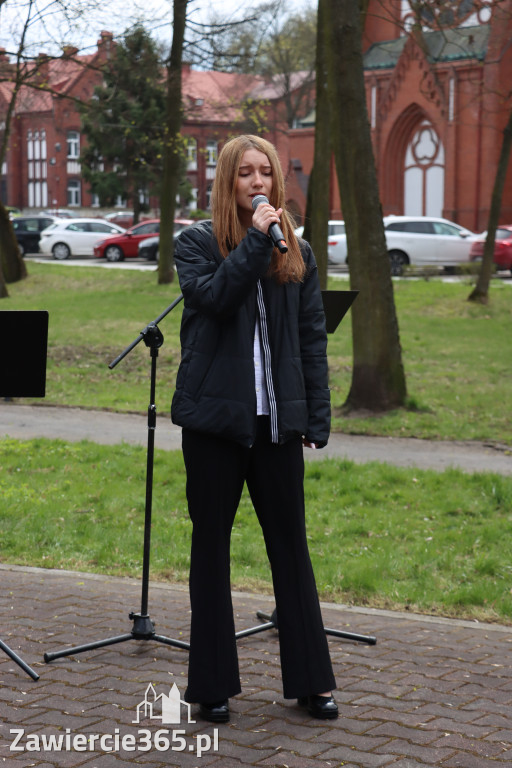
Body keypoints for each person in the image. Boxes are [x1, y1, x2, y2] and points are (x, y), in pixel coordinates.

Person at [171, 134, 337, 723]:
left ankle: (312, 681)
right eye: (246, 173)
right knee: (210, 548)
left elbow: (311, 339)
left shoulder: (297, 249)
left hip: (276, 427)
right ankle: (212, 685)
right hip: (215, 425)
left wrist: (314, 415)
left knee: (290, 546)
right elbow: (214, 300)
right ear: (227, 182)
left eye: (266, 172)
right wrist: (254, 246)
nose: (258, 182)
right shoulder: (195, 244)